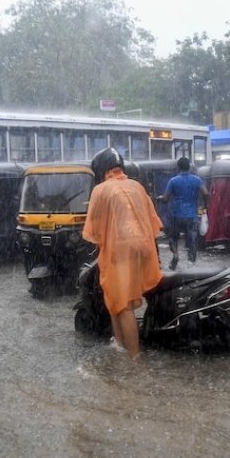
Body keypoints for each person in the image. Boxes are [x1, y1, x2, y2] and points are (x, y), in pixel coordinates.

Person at [82, 148, 163, 360]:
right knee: (114, 297)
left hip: (121, 249)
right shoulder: (137, 186)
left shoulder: (101, 189)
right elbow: (152, 220)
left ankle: (134, 359)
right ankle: (118, 344)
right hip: (142, 247)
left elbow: (95, 228)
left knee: (124, 304)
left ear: (101, 169)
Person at [157, 157, 208, 270]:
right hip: (191, 216)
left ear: (178, 167)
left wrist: (160, 198)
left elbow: (166, 198)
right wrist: (205, 206)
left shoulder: (173, 181)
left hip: (177, 215)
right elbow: (205, 193)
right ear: (189, 167)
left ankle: (175, 255)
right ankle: (191, 264)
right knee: (192, 240)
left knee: (173, 238)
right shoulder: (197, 180)